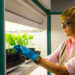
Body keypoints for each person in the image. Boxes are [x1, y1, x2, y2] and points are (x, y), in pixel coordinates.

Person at [13, 6, 75, 75]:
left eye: (66, 24)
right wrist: (31, 56)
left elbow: (65, 71)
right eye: (62, 23)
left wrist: (36, 58)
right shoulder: (64, 44)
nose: (63, 27)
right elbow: (52, 58)